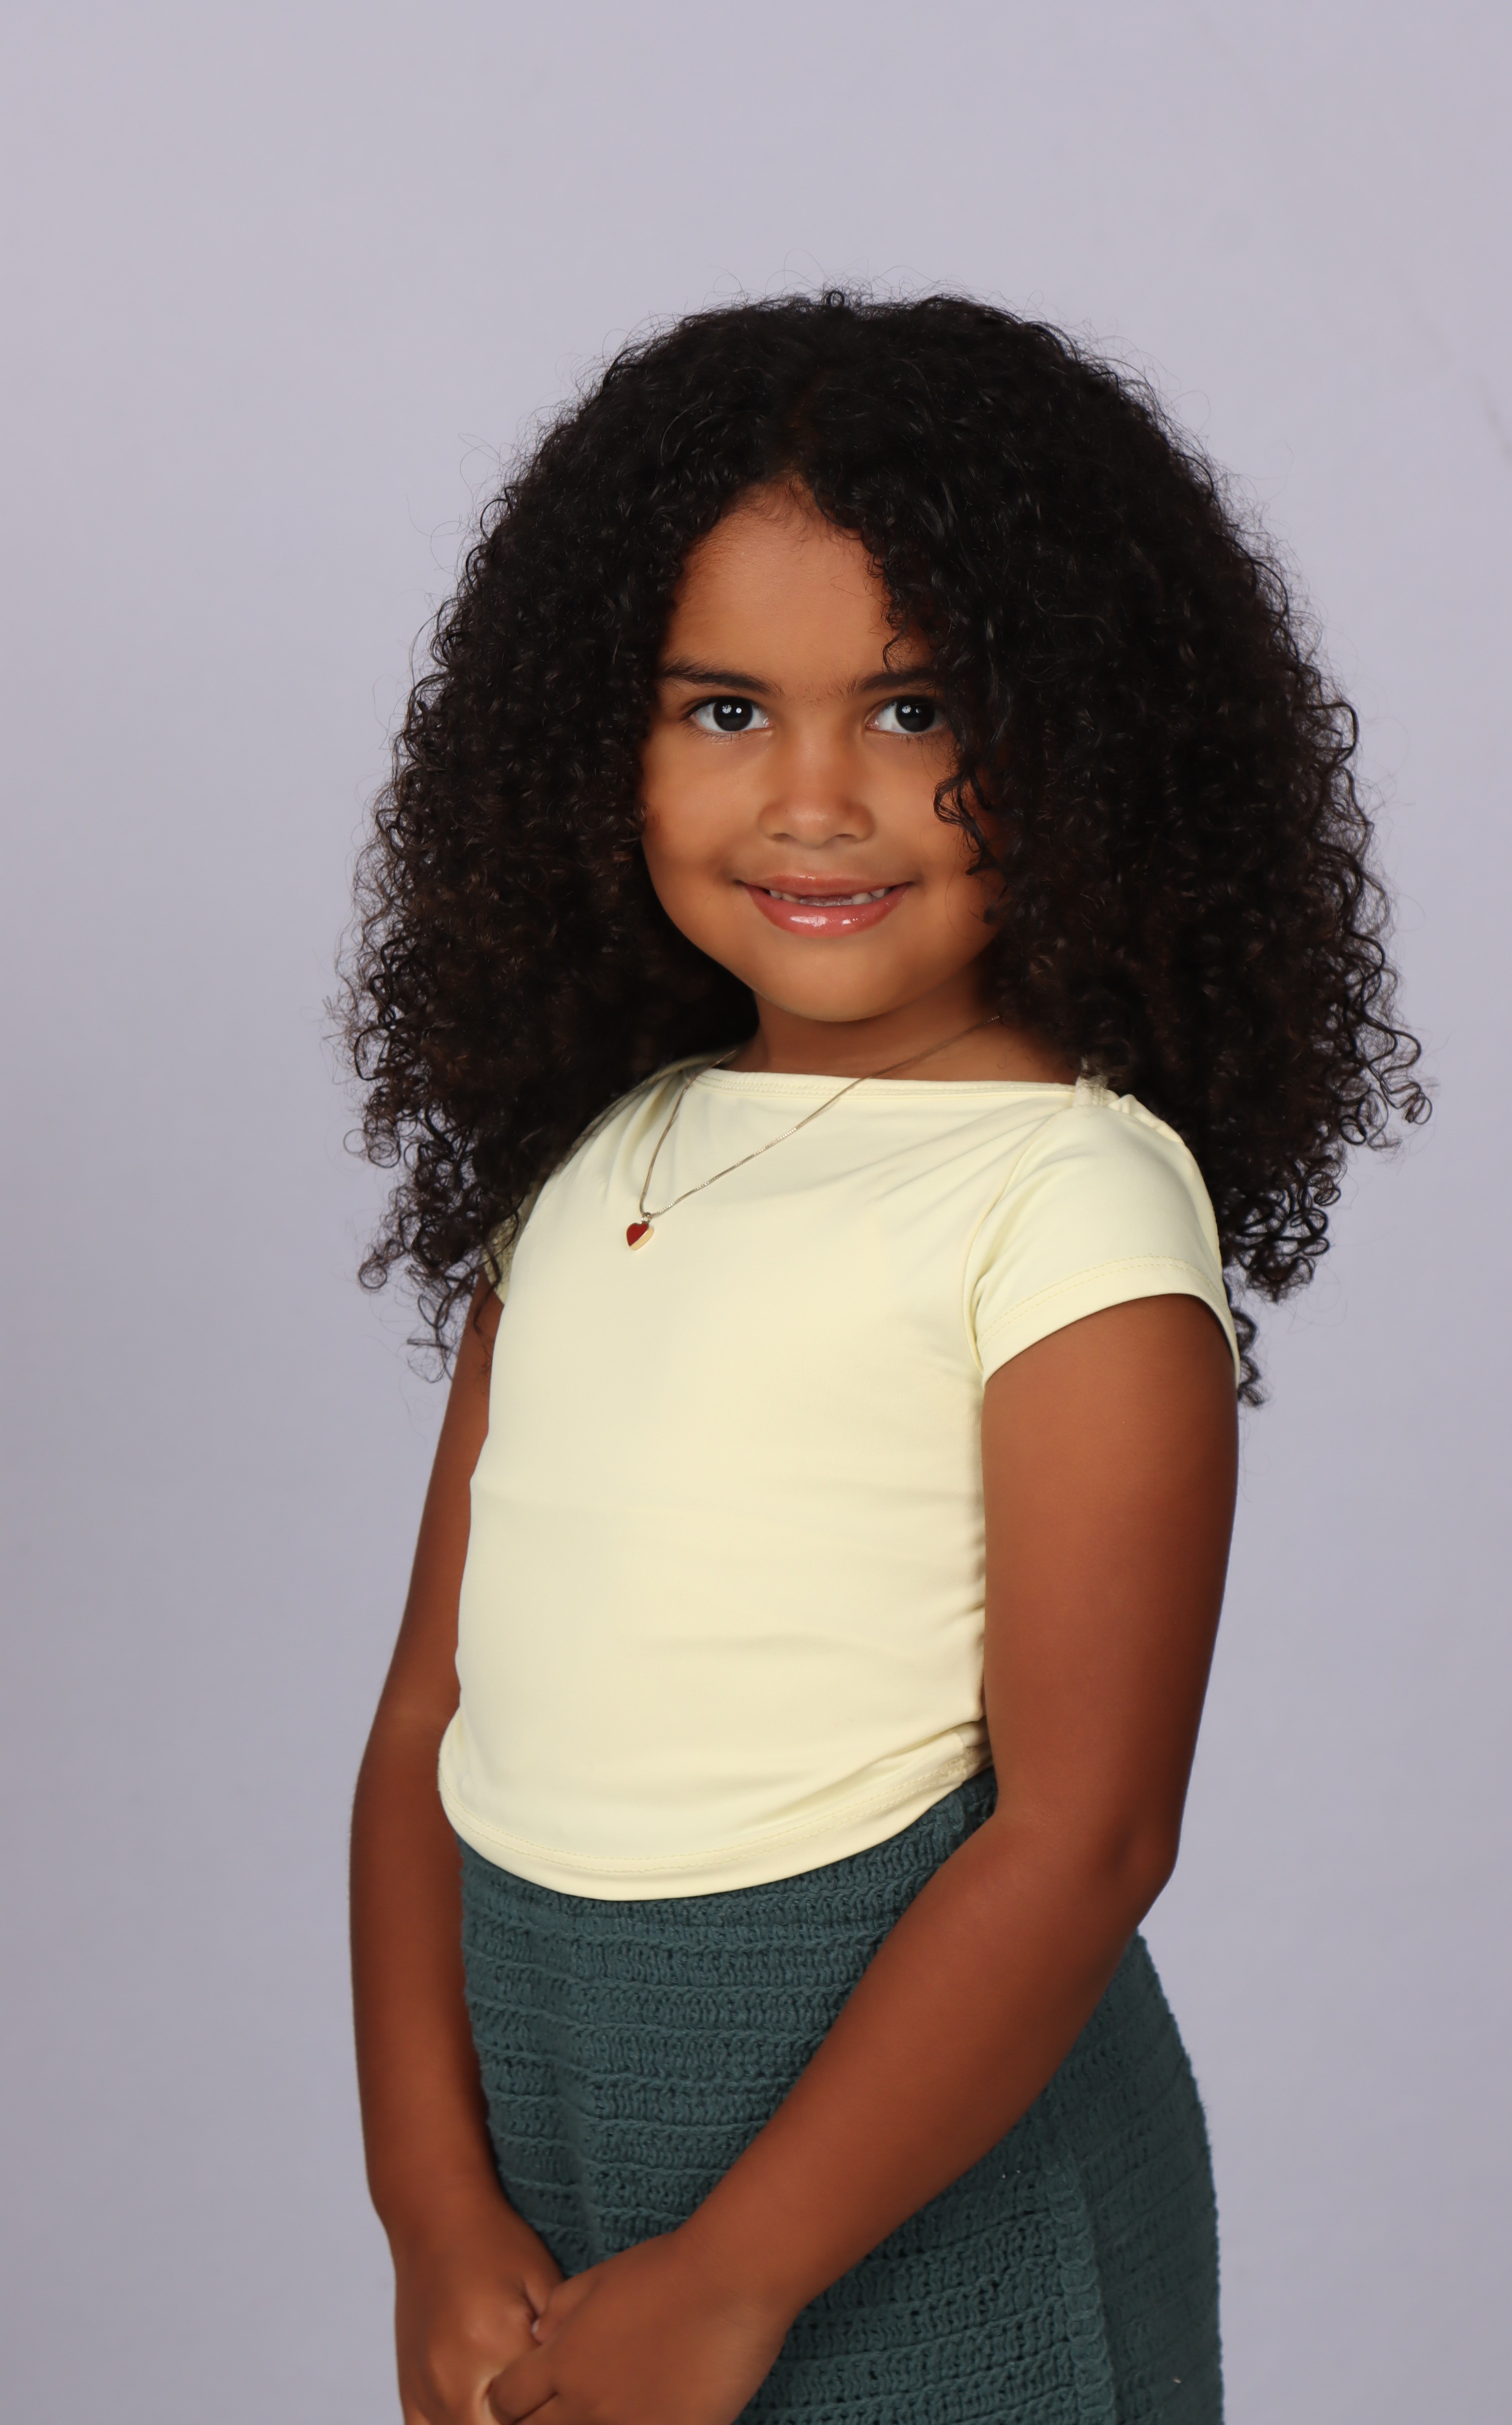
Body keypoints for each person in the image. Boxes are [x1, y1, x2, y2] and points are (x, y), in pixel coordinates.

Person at [344, 291, 1425, 2425]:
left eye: (916, 708)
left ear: (1087, 735)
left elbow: (1082, 1836)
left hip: (924, 2210)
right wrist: (435, 2217)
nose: (815, 798)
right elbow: (421, 1726)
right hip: (561, 2147)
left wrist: (740, 2276)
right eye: (724, 709)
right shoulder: (595, 1172)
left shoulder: (1066, 1203)